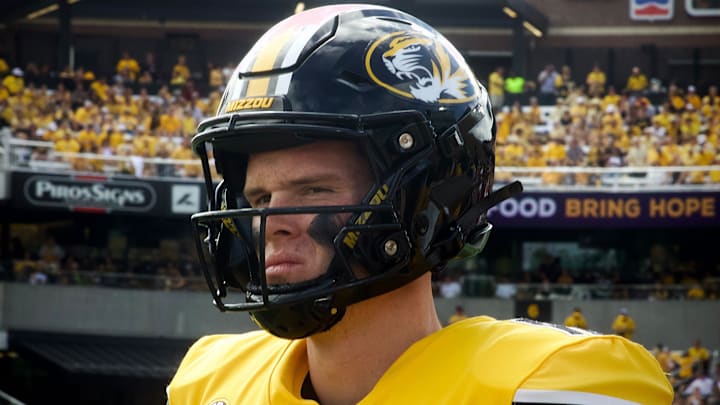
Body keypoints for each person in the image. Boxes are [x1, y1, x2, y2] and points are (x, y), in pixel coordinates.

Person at [167, 5, 673, 404]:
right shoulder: (209, 381)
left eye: (314, 190)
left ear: (424, 197)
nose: (268, 225)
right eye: (258, 198)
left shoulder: (550, 383)